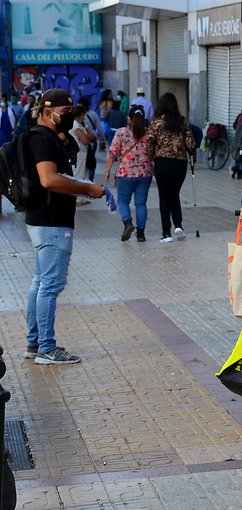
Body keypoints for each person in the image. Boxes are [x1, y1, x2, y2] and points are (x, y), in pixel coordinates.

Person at [23, 88, 105, 364]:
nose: (69, 117)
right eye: (65, 113)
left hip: (41, 220)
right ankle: (46, 347)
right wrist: (87, 188)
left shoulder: (41, 137)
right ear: (48, 112)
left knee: (40, 282)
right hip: (52, 222)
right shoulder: (43, 140)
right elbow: (48, 179)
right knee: (49, 285)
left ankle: (35, 343)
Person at [147, 92, 194, 243]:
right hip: (180, 163)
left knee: (164, 197)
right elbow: (191, 143)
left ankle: (166, 233)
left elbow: (149, 142)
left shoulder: (156, 123)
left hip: (162, 163)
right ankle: (178, 226)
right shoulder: (182, 122)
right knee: (175, 194)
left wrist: (151, 157)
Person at [105, 105, 152, 243]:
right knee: (141, 204)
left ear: (129, 119)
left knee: (123, 201)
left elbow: (112, 153)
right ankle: (141, 234)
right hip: (145, 173)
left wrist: (107, 170)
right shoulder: (149, 133)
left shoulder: (121, 132)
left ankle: (128, 223)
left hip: (125, 173)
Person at [78, 97, 106, 180]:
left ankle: (82, 178)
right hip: (92, 140)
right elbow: (99, 128)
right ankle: (90, 180)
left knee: (81, 160)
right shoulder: (93, 114)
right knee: (91, 159)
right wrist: (103, 139)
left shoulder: (77, 115)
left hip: (80, 139)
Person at [69, 104, 92, 188]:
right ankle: (78, 197)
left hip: (82, 152)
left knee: (81, 173)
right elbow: (85, 140)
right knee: (79, 174)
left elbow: (91, 135)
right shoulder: (76, 126)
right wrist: (88, 137)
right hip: (79, 152)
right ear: (82, 114)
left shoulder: (80, 124)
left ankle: (80, 196)